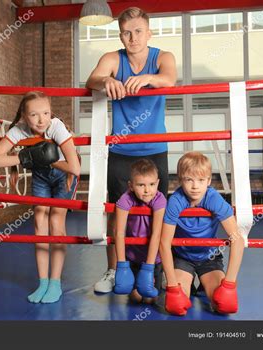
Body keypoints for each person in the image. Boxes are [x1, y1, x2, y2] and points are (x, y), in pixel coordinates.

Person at [85, 7, 177, 293]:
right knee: (117, 210)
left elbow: (170, 78)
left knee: (157, 211)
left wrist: (150, 79)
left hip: (154, 149)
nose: (133, 37)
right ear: (120, 35)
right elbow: (92, 80)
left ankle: (157, 268)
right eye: (127, 32)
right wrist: (107, 81)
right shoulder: (113, 58)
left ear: (148, 33)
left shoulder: (162, 57)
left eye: (138, 31)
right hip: (122, 150)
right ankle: (114, 270)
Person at [0, 91, 80, 304]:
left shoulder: (56, 126)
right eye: (35, 115)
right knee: (39, 224)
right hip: (40, 177)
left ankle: (55, 283)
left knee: (56, 224)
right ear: (24, 115)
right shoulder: (19, 130)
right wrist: (24, 156)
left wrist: (49, 159)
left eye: (46, 113)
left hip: (63, 175)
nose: (41, 120)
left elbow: (74, 167)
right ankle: (43, 282)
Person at [159, 152, 244, 315]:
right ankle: (185, 282)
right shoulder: (175, 201)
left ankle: (204, 285)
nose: (195, 186)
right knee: (177, 308)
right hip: (183, 258)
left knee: (224, 306)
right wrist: (172, 285)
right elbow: (164, 243)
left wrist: (229, 284)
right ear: (180, 180)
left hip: (209, 258)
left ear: (209, 181)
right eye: (189, 180)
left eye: (201, 180)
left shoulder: (214, 199)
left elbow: (237, 239)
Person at [113, 159, 166, 304]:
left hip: (154, 259)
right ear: (131, 186)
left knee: (150, 299)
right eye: (141, 185)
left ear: (158, 183)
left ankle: (157, 281)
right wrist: (122, 264)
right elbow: (119, 232)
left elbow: (156, 234)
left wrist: (149, 268)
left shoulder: (159, 199)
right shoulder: (125, 200)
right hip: (132, 257)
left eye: (152, 184)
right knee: (135, 298)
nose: (147, 190)